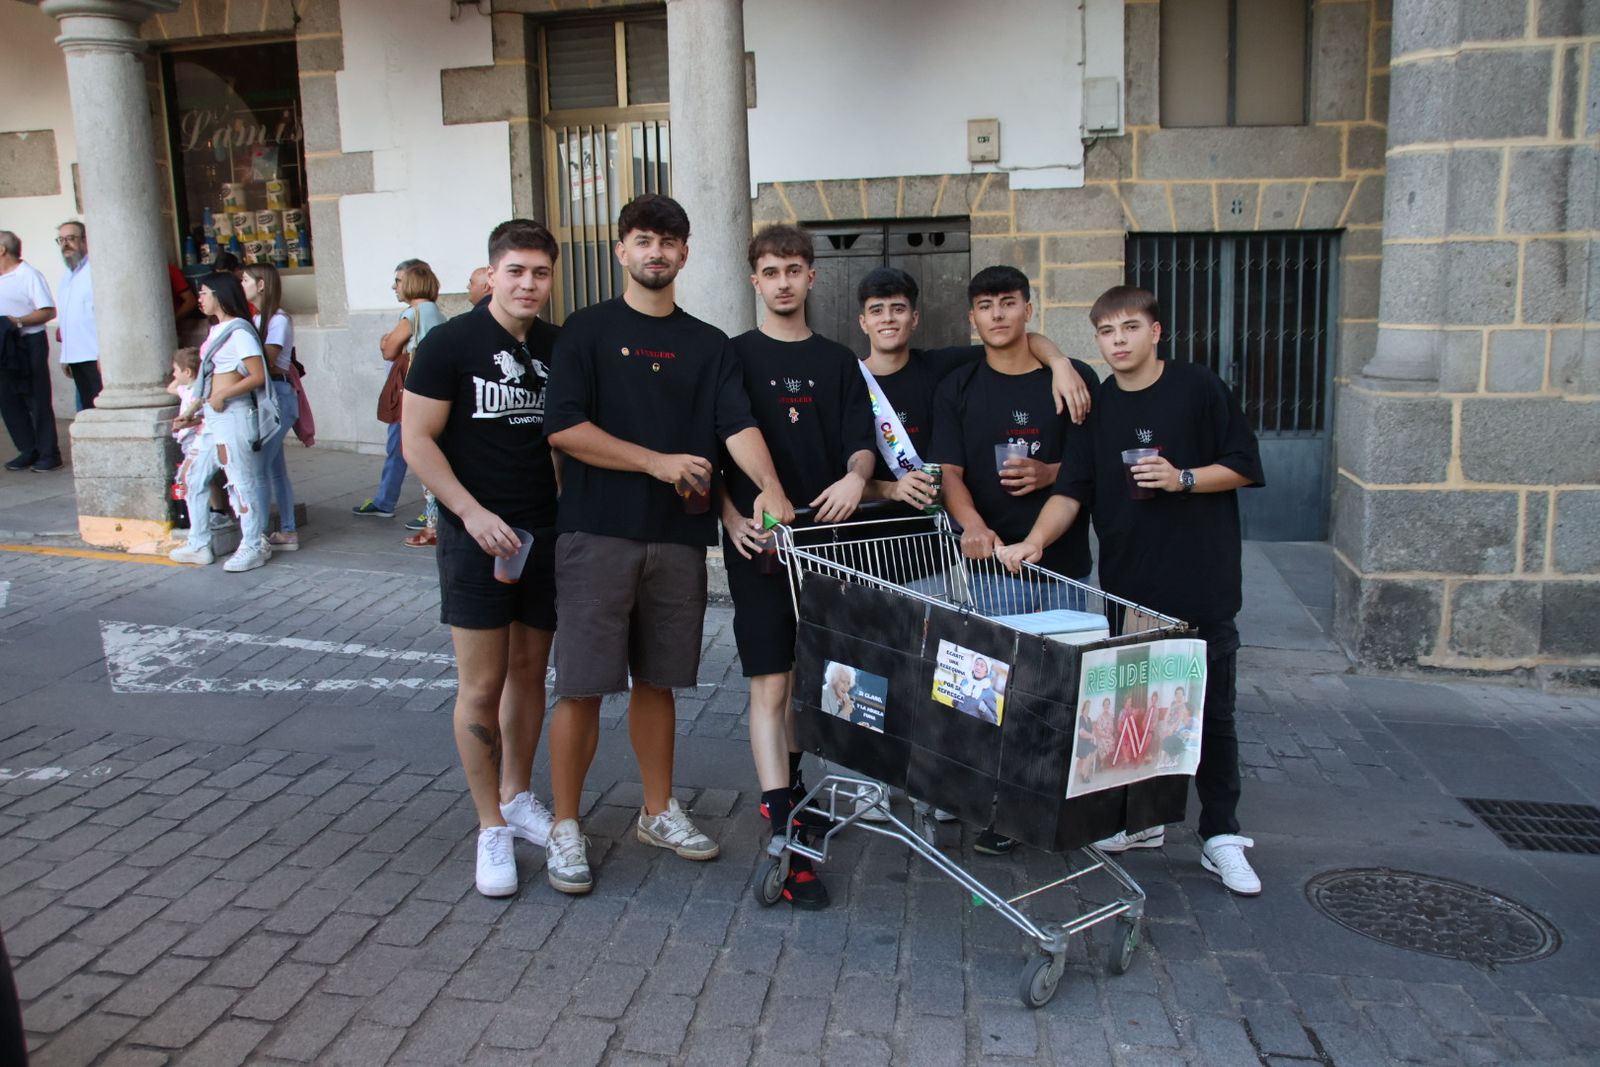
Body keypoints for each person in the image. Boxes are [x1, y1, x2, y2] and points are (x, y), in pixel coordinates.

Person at [543, 194, 794, 895]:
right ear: (622, 250)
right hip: (596, 532)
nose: (657, 252)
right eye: (644, 240)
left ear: (686, 254)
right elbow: (563, 427)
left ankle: (658, 810)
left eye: (670, 242)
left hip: (678, 540)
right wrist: (654, 461)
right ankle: (566, 823)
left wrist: (768, 484)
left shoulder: (708, 343)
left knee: (660, 682)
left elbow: (735, 425)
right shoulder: (587, 332)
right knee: (584, 686)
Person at [998, 284, 1266, 895]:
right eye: (1106, 333)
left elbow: (1245, 464)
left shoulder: (1198, 388)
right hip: (1129, 586)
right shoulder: (1097, 406)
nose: (1117, 343)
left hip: (1203, 581)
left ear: (1155, 332)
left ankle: (1221, 834)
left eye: (1128, 330)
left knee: (1211, 714)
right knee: (1136, 707)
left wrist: (1183, 478)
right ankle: (1142, 821)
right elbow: (1073, 489)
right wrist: (1036, 541)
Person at [402, 221, 564, 898]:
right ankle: (490, 824)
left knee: (531, 672)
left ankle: (519, 793)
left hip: (544, 535)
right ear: (490, 274)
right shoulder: (448, 344)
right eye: (516, 271)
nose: (528, 284)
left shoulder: (559, 346)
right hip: (477, 538)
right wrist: (467, 512)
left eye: (540, 273)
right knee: (481, 683)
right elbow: (417, 439)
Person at [719, 223, 874, 910]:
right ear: (755, 280)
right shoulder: (733, 357)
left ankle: (795, 789)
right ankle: (781, 816)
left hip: (829, 546)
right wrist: (732, 522)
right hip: (762, 549)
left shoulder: (839, 360)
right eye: (771, 270)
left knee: (812, 685)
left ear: (814, 277)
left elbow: (861, 444)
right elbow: (715, 452)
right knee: (771, 685)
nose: (784, 280)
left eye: (795, 269)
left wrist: (855, 478)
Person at [855, 267, 1090, 511]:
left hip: (940, 530)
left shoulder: (940, 367)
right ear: (863, 322)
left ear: (914, 319)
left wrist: (1059, 363)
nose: (888, 319)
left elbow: (1013, 342)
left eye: (898, 309)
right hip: (873, 533)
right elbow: (839, 477)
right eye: (876, 311)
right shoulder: (849, 382)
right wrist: (890, 489)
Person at [169, 272, 274, 572]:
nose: (199, 298)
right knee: (191, 477)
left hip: (233, 415)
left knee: (241, 483)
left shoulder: (239, 331)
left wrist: (223, 394)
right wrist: (193, 411)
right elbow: (211, 379)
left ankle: (253, 544)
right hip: (213, 417)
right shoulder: (217, 330)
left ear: (219, 294)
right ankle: (199, 542)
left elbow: (256, 375)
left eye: (203, 293)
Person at [353, 258, 431, 518]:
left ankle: (430, 510)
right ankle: (389, 500)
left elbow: (389, 350)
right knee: (406, 446)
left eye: (398, 280)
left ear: (411, 281)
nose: (394, 286)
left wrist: (385, 341)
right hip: (425, 391)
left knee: (411, 446)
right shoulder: (432, 312)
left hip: (413, 393)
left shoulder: (413, 313)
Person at [243, 264, 301, 551]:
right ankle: (287, 530)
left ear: (261, 284)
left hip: (276, 394)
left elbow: (267, 358)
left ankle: (259, 533)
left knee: (259, 469)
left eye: (245, 279)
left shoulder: (277, 320)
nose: (242, 284)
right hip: (270, 394)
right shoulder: (257, 319)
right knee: (275, 468)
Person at [0, 230, 60, 472]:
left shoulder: (29, 275)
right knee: (8, 399)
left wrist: (18, 322)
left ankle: (48, 453)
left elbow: (48, 311)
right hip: (3, 345)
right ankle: (28, 449)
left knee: (37, 398)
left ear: (2, 249)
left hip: (28, 344)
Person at [54, 220, 101, 410]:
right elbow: (67, 319)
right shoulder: (67, 276)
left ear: (85, 241)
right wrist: (65, 355)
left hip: (94, 355)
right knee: (88, 407)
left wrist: (104, 354)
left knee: (100, 407)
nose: (65, 244)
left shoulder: (95, 271)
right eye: (61, 239)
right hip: (76, 356)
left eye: (71, 238)